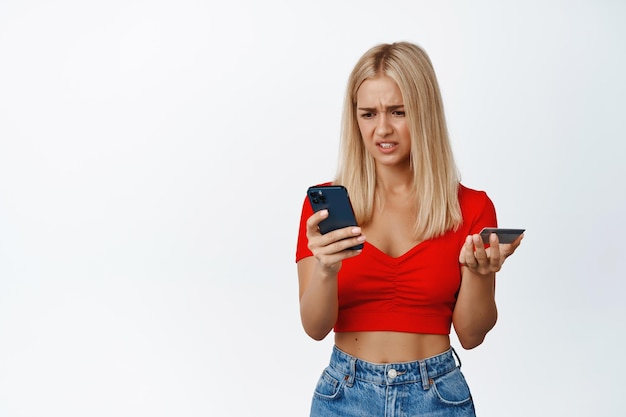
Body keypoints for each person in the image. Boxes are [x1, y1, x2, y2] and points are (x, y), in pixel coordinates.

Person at [295, 41, 523, 417]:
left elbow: (472, 335)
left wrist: (481, 275)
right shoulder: (326, 208)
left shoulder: (471, 207)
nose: (382, 128)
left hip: (437, 396)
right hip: (344, 395)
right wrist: (326, 268)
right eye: (368, 114)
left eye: (398, 112)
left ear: (424, 113)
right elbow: (315, 327)